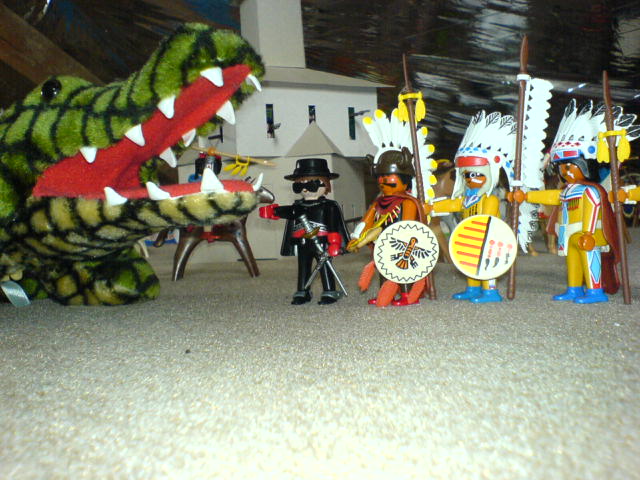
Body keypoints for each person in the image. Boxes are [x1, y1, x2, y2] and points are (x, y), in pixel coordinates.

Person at [510, 100, 623, 304]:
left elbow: (592, 210)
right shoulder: (567, 190)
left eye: (569, 166)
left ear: (585, 166)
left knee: (590, 260)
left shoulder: (591, 190)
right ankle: (574, 288)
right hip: (569, 232)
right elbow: (550, 197)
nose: (564, 171)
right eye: (561, 167)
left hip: (588, 233)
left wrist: (588, 232)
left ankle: (595, 291)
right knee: (572, 261)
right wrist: (525, 197)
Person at [424, 111, 516, 303]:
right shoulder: (468, 197)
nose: (470, 179)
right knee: (471, 262)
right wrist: (432, 207)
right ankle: (473, 288)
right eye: (467, 175)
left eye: (476, 175)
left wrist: (479, 232)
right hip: (470, 237)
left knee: (487, 264)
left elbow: (486, 221)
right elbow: (453, 204)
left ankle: (490, 292)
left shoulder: (489, 199)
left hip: (488, 239)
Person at [260, 158, 349, 305]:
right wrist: (273, 212)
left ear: (325, 184)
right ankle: (302, 291)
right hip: (303, 243)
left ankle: (329, 291)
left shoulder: (329, 206)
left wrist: (334, 243)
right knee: (303, 268)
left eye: (311, 184)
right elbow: (288, 212)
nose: (305, 189)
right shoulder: (298, 206)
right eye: (300, 185)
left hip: (322, 243)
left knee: (324, 266)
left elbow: (333, 225)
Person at [347, 147, 425, 306]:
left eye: (388, 176)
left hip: (402, 244)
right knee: (383, 269)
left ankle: (407, 295)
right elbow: (366, 221)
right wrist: (356, 237)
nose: (383, 180)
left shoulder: (408, 203)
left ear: (405, 179)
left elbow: (407, 226)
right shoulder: (378, 202)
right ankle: (385, 293)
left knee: (402, 270)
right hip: (381, 244)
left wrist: (400, 241)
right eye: (381, 176)